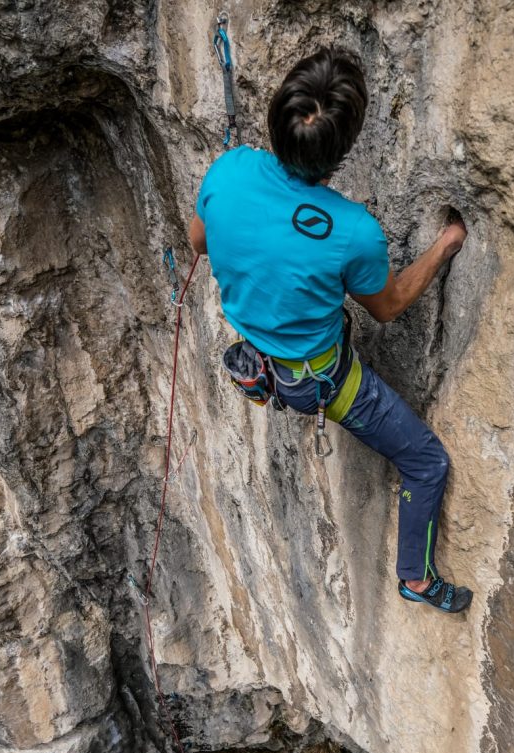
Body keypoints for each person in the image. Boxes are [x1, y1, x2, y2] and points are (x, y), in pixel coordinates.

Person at [190, 46, 472, 613]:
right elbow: (387, 306)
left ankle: (263, 378)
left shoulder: (227, 171)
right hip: (322, 381)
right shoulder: (353, 231)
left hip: (262, 351)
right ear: (343, 151)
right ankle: (416, 578)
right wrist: (445, 245)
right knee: (426, 461)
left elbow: (198, 243)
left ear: (276, 118)